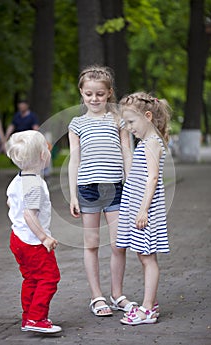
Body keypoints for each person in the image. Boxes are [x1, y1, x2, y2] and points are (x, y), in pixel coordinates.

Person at [68, 65, 137, 317]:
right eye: (89, 94)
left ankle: (117, 294)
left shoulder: (118, 120)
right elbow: (74, 160)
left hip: (117, 188)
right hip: (88, 190)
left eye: (99, 94)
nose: (94, 99)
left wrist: (132, 184)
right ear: (81, 93)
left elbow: (126, 152)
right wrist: (73, 194)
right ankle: (97, 297)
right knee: (92, 243)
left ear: (109, 93)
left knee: (119, 244)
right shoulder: (76, 124)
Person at [116, 92, 171, 326]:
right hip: (138, 207)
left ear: (148, 116)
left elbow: (152, 177)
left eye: (131, 122)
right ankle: (151, 303)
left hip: (145, 210)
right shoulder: (145, 142)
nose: (129, 127)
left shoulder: (151, 144)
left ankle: (148, 308)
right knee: (143, 255)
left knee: (148, 257)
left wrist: (143, 210)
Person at [6, 130, 61, 333]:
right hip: (32, 242)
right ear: (41, 156)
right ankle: (37, 319)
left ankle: (28, 316)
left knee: (31, 278)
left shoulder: (18, 179)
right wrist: (44, 237)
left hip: (17, 238)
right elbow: (30, 215)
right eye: (47, 148)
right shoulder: (34, 185)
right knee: (49, 278)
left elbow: (10, 202)